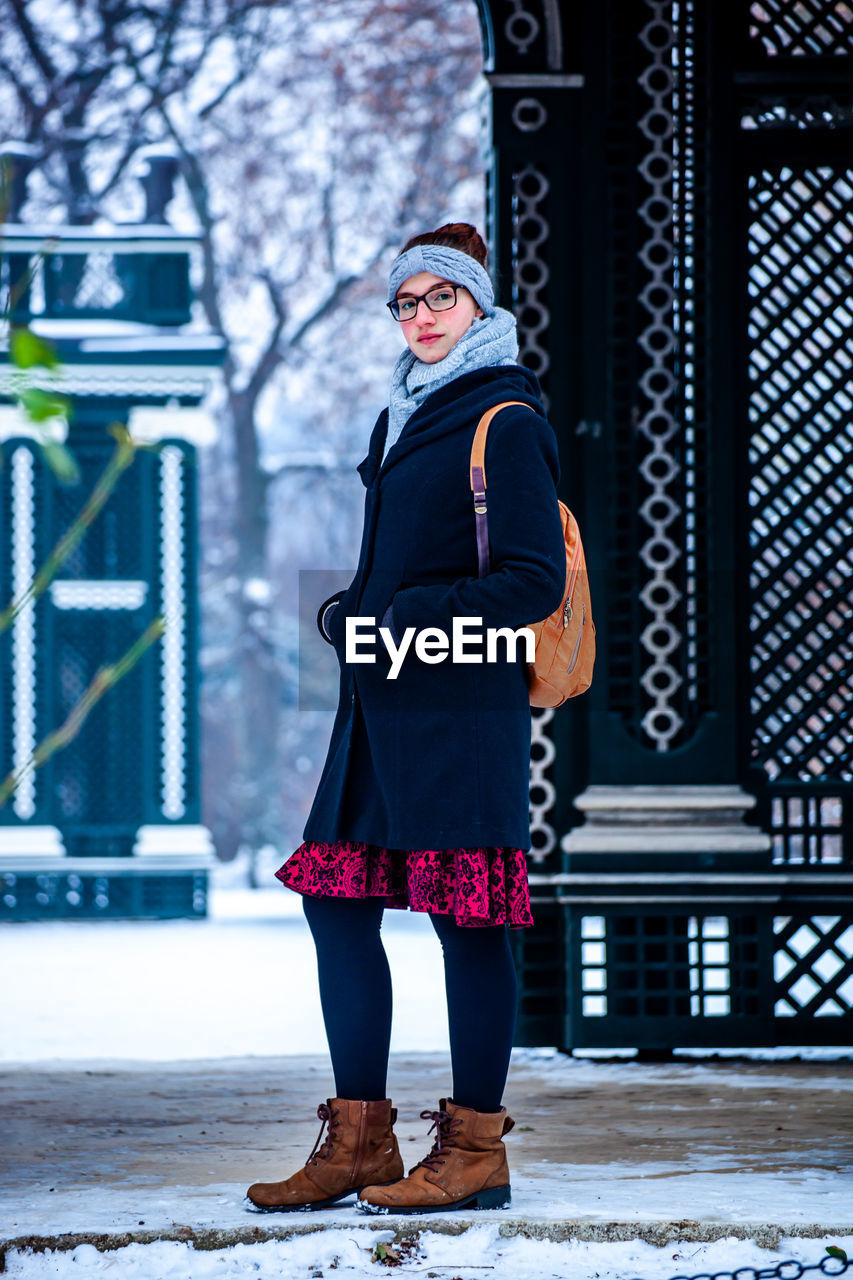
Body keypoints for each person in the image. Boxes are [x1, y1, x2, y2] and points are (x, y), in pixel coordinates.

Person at [245, 223, 565, 1216]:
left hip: (462, 709)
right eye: (406, 302)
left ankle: (474, 1149)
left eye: (440, 299)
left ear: (478, 307)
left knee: (469, 915)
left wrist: (405, 610)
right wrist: (348, 608)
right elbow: (394, 564)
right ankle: (357, 1140)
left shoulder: (504, 416)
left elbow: (530, 582)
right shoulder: (399, 414)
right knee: (333, 899)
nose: (421, 317)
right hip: (381, 703)